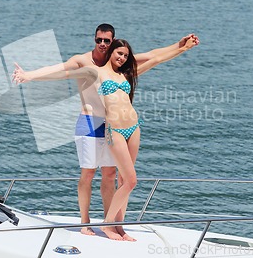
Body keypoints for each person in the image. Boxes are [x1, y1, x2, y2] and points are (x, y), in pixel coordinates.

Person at [12, 24, 196, 236]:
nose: (102, 44)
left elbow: (153, 57)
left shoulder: (123, 67)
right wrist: (29, 75)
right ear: (94, 39)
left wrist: (181, 46)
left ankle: (114, 224)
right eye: (99, 40)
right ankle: (85, 222)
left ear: (112, 43)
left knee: (111, 174)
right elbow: (62, 71)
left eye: (107, 41)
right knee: (89, 173)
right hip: (91, 123)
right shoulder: (87, 64)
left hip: (119, 125)